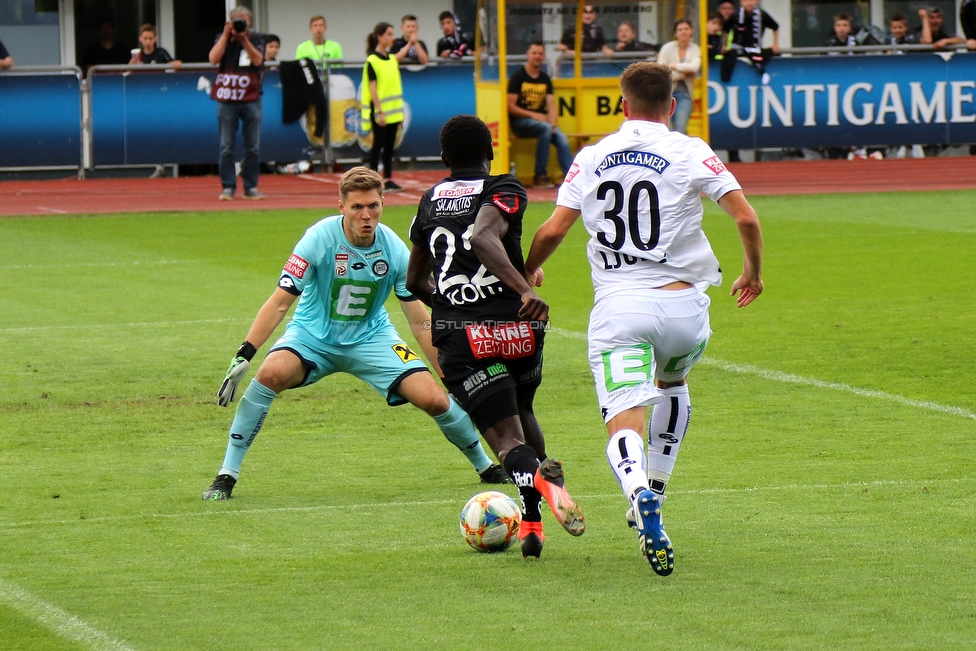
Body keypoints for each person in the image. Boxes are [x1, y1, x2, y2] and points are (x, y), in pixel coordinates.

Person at [523, 62, 763, 575]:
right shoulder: (691, 150)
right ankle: (657, 487)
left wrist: (528, 273)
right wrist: (752, 273)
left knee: (624, 420)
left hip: (621, 310)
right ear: (672, 106)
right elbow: (745, 216)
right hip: (685, 311)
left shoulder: (591, 157)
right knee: (672, 380)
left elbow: (552, 230)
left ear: (622, 104)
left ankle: (638, 495)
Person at [203, 167, 509, 501]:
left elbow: (420, 323)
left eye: (373, 206)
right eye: (357, 207)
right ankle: (226, 475)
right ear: (342, 207)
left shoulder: (394, 249)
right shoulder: (318, 239)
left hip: (372, 338)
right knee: (270, 374)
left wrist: (449, 374)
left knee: (436, 399)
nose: (366, 215)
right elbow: (279, 302)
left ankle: (486, 466)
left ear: (382, 204)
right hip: (312, 337)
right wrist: (246, 351)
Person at [405, 115, 585, 559]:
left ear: (444, 157)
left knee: (507, 443)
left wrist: (451, 304)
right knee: (523, 410)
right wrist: (523, 290)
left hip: (465, 338)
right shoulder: (504, 187)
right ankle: (532, 523)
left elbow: (415, 280)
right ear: (490, 151)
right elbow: (488, 233)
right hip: (519, 328)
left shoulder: (429, 201)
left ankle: (541, 481)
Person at [209, 6, 265, 201]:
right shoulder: (222, 38)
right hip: (227, 99)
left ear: (249, 22)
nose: (242, 23)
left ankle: (250, 186)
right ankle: (228, 187)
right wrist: (226, 36)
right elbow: (213, 59)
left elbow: (258, 60)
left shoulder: (256, 38)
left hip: (251, 98)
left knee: (252, 146)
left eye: (244, 20)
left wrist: (244, 39)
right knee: (226, 146)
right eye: (237, 20)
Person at [507, 41, 573, 189]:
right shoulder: (518, 76)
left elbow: (551, 105)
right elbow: (510, 106)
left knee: (561, 138)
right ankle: (540, 175)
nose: (537, 56)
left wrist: (554, 124)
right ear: (528, 55)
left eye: (540, 54)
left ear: (544, 57)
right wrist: (533, 115)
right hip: (520, 122)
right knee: (545, 128)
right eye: (534, 53)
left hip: (542, 124)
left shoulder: (545, 78)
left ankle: (570, 178)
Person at [361, 22, 404, 193]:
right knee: (378, 145)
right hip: (381, 112)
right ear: (380, 36)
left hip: (394, 112)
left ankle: (387, 178)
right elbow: (372, 88)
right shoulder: (372, 60)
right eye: (389, 34)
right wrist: (379, 111)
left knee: (389, 147)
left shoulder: (391, 59)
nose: (392, 38)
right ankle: (372, 180)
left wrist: (411, 43)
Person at [720, 0, 780, 85]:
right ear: (741, 2)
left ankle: (762, 72)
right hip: (738, 48)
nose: (749, 3)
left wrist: (776, 44)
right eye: (746, 0)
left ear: (757, 1)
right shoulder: (736, 15)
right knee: (730, 56)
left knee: (764, 54)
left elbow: (775, 27)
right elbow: (725, 30)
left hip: (755, 49)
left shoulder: (762, 14)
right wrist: (724, 45)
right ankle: (726, 78)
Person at [657, 20, 701, 135]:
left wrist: (673, 66)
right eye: (680, 30)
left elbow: (694, 67)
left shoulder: (695, 49)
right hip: (665, 95)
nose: (683, 32)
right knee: (664, 129)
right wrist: (683, 73)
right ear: (675, 33)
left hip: (684, 95)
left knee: (680, 129)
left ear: (691, 31)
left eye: (686, 29)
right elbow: (661, 72)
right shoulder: (667, 48)